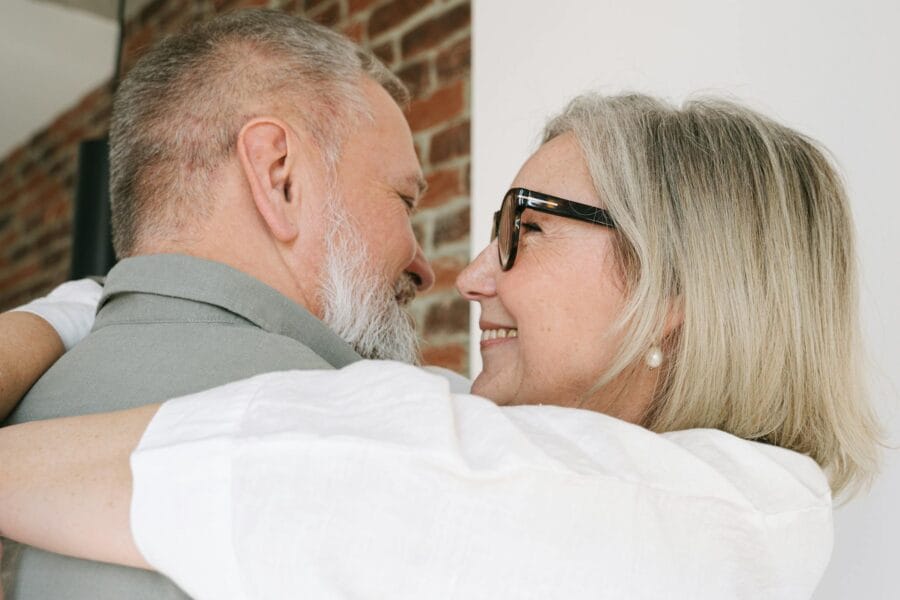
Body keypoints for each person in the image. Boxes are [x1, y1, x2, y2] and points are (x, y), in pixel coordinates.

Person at [0, 93, 881, 599]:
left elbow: (293, 465)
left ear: (673, 289)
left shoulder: (736, 522)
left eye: (523, 230)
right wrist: (86, 306)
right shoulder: (522, 439)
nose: (469, 277)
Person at [0, 9, 439, 600]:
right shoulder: (393, 448)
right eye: (403, 200)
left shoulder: (34, 392)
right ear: (279, 176)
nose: (423, 265)